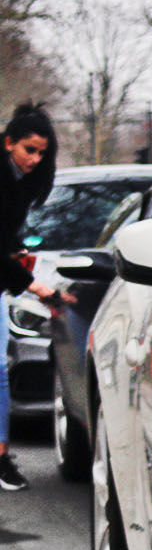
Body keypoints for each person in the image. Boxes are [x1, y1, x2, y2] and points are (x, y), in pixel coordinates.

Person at [0, 102, 60, 492]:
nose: (35, 159)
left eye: (42, 152)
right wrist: (31, 283)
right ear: (8, 143)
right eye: (29, 150)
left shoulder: (16, 184)